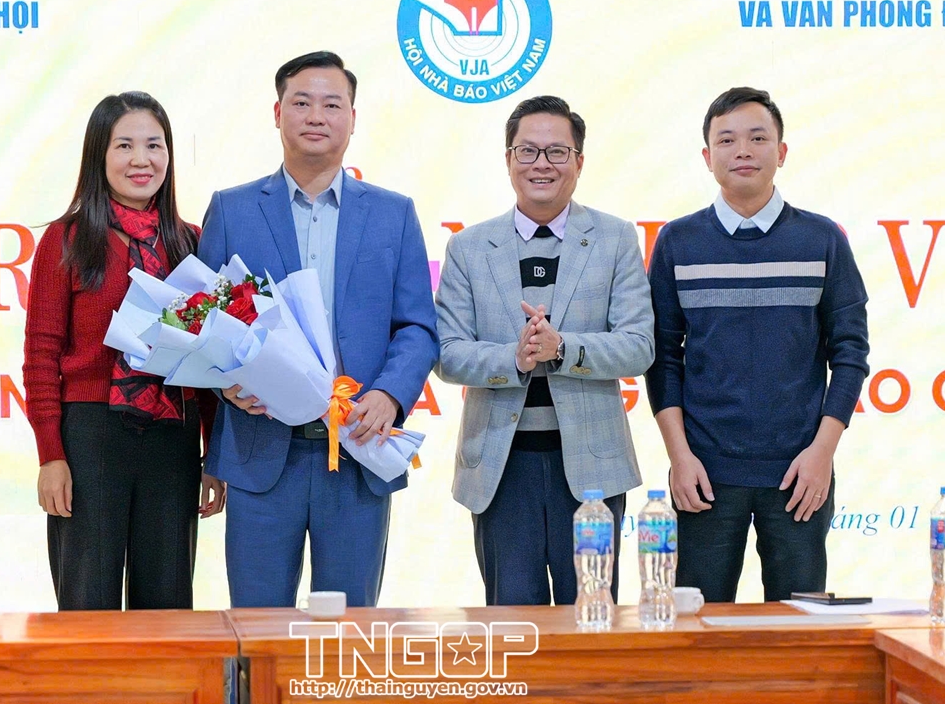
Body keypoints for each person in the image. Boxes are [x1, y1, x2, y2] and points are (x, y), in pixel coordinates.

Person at [197, 50, 439, 608]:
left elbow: (417, 327)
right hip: (261, 454)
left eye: (332, 105)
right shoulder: (232, 209)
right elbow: (206, 318)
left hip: (357, 449)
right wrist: (226, 382)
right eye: (301, 102)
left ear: (352, 118)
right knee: (258, 629)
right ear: (277, 113)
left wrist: (389, 394)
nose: (316, 116)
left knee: (348, 632)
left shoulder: (393, 213)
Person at [647, 87, 869, 602]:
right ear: (708, 157)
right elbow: (662, 357)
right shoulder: (677, 242)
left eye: (757, 138)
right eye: (727, 140)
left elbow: (851, 354)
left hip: (799, 474)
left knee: (797, 629)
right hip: (703, 473)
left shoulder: (822, 239)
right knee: (696, 627)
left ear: (781, 152)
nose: (742, 151)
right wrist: (680, 457)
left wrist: (822, 453)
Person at [437, 95, 655, 606]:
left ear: (579, 161)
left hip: (592, 470)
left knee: (592, 620)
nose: (542, 164)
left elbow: (639, 345)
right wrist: (514, 359)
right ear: (508, 159)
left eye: (557, 152)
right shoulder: (468, 248)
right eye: (527, 151)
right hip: (500, 468)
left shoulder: (615, 239)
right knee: (513, 626)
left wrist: (562, 349)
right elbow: (447, 353)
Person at [23, 92, 224, 611]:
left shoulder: (191, 242)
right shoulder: (67, 240)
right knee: (86, 606)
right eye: (125, 145)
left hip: (173, 441)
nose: (142, 160)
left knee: (167, 606)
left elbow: (208, 360)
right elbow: (41, 356)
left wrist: (214, 455)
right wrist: (51, 455)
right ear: (100, 155)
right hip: (91, 439)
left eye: (154, 145)